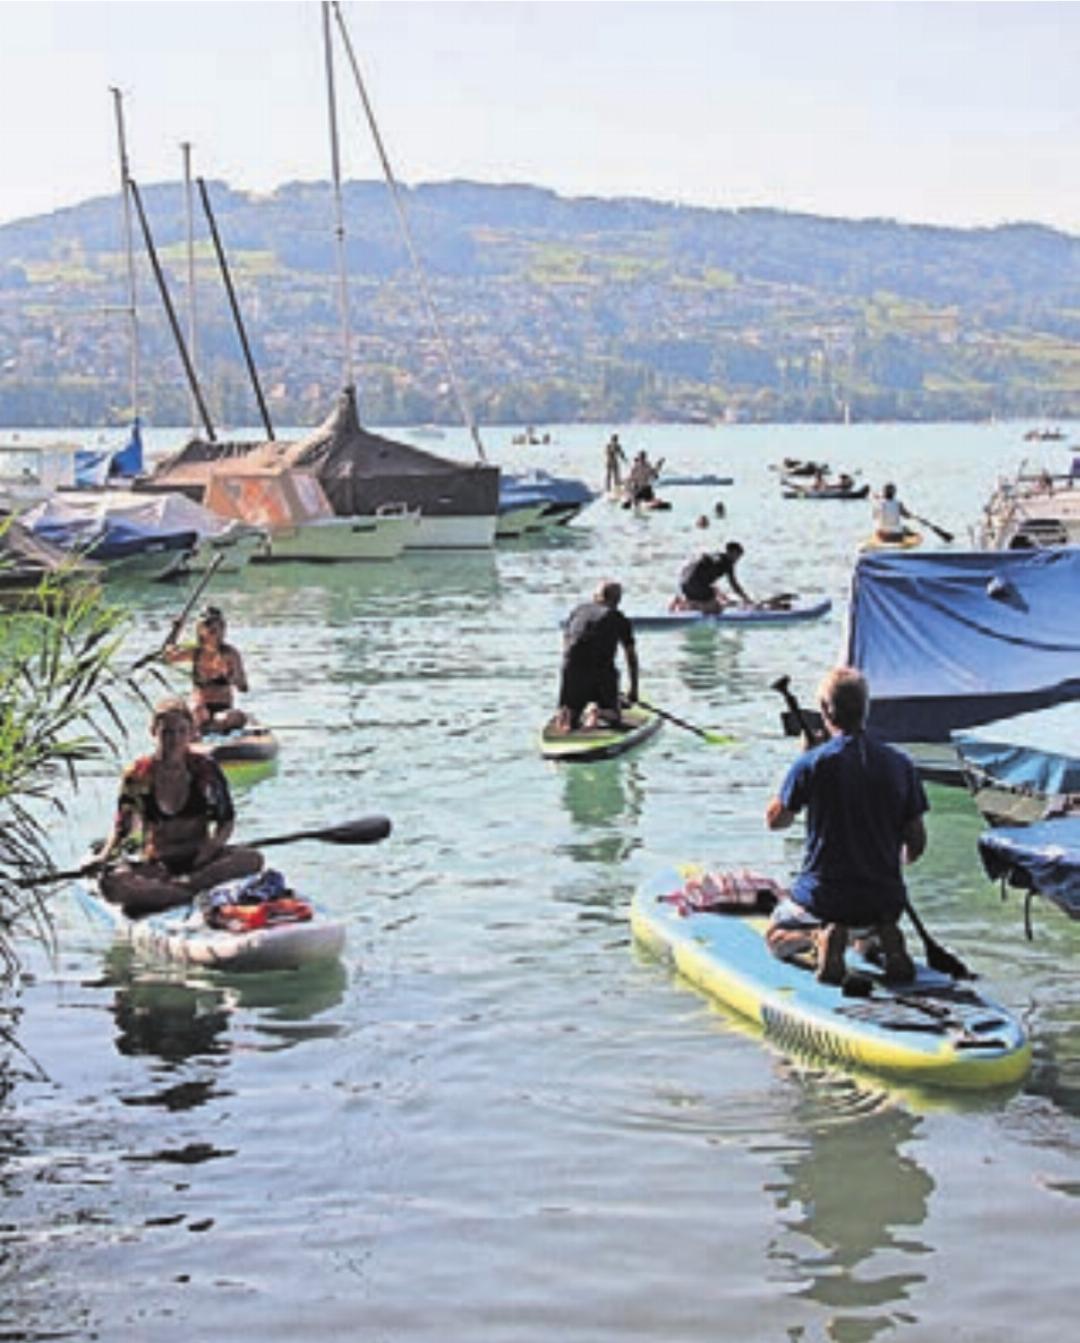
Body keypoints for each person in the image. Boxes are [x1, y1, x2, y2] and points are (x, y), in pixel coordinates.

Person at [763, 667, 927, 985]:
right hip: (885, 899)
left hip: (825, 900)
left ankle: (818, 938)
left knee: (774, 935)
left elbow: (776, 822)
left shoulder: (812, 763)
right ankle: (883, 936)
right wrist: (890, 867)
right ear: (866, 709)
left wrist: (802, 762)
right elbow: (916, 844)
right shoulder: (901, 764)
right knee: (866, 935)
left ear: (825, 710)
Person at [95, 697, 263, 917]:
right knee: (111, 885)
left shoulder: (205, 769)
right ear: (154, 732)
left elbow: (226, 821)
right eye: (167, 732)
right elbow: (122, 829)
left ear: (191, 734)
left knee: (252, 859)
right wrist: (103, 857)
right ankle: (184, 892)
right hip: (159, 866)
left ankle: (176, 892)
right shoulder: (137, 775)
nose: (174, 740)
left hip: (201, 861)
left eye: (181, 732)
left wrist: (210, 849)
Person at [556, 579, 639, 732]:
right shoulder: (618, 617)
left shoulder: (578, 610)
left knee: (570, 718)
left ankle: (569, 715)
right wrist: (633, 690)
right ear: (618, 600)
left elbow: (567, 643)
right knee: (614, 717)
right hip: (600, 670)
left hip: (571, 667)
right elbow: (631, 657)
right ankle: (598, 711)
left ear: (596, 596)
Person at [165, 605, 248, 733]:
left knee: (227, 718)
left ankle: (211, 727)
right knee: (198, 712)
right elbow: (167, 656)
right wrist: (175, 630)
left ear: (222, 628)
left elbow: (244, 687)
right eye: (207, 624)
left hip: (223, 709)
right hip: (200, 708)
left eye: (216, 625)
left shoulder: (230, 654)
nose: (211, 628)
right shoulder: (195, 652)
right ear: (200, 629)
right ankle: (199, 728)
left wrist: (232, 676)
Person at [670, 541, 752, 613]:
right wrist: (746, 599)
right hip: (695, 585)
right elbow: (734, 585)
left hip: (684, 585)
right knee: (716, 609)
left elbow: (689, 570)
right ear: (731, 552)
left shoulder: (713, 556)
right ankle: (687, 605)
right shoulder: (727, 563)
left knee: (714, 593)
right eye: (737, 556)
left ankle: (685, 602)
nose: (737, 560)